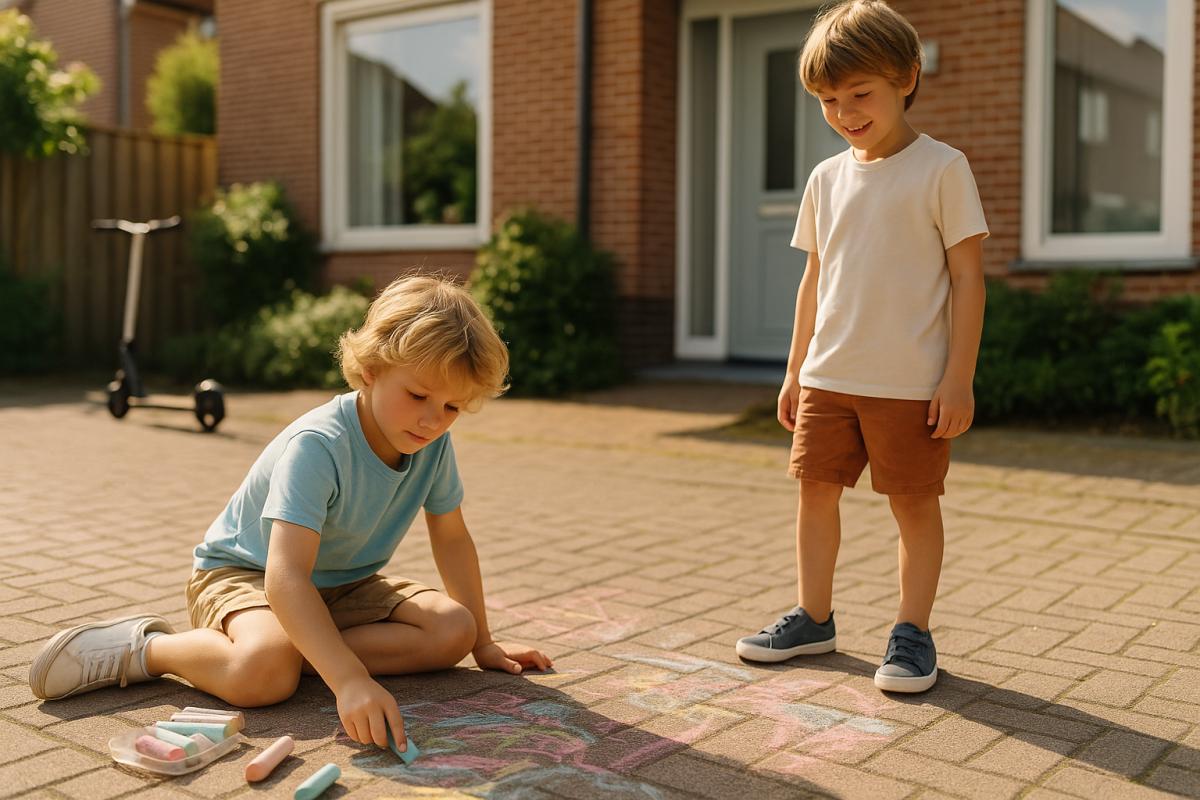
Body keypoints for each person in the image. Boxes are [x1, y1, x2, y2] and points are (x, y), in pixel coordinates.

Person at [29, 275, 552, 748]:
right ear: (370, 371)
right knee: (263, 675)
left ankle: (303, 645)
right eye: (418, 395)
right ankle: (148, 648)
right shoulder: (319, 445)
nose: (433, 420)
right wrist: (349, 679)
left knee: (454, 630)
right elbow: (285, 579)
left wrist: (484, 643)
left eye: (452, 407)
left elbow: (452, 537)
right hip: (247, 575)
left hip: (344, 584)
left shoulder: (431, 445)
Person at [734, 0, 988, 693]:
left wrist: (958, 377)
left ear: (907, 78)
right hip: (828, 376)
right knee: (814, 494)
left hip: (909, 383)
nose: (844, 112)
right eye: (827, 99)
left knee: (914, 505)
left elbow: (968, 279)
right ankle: (813, 618)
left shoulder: (942, 168)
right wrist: (794, 370)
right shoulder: (825, 178)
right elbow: (814, 279)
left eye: (859, 93)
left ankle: (912, 633)